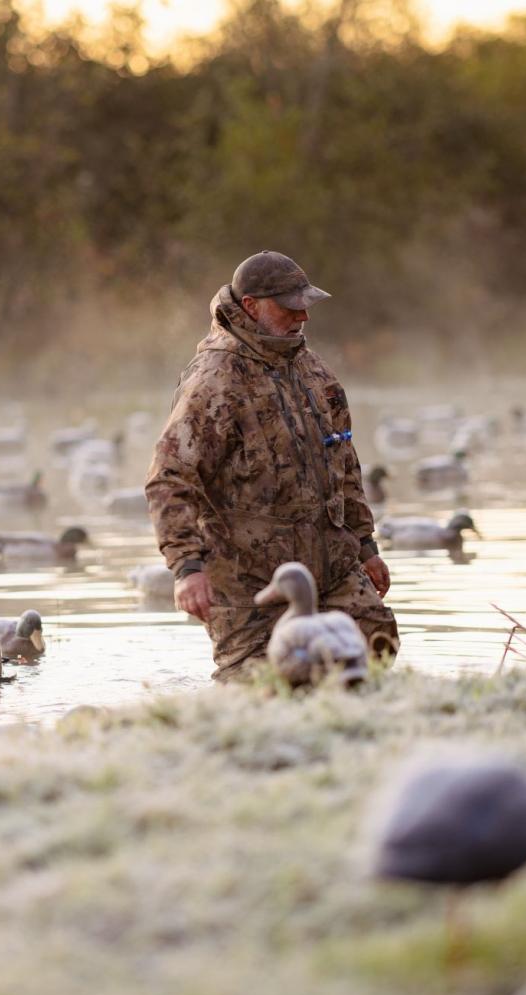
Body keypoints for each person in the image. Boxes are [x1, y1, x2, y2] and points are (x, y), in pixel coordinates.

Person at [145, 251, 398, 681]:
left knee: (376, 648)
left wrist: (366, 546)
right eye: (289, 306)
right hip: (251, 583)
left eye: (305, 305)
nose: (302, 316)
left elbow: (345, 463)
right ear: (251, 306)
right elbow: (170, 479)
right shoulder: (215, 380)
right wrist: (187, 568)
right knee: (259, 684)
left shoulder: (314, 371)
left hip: (333, 565)